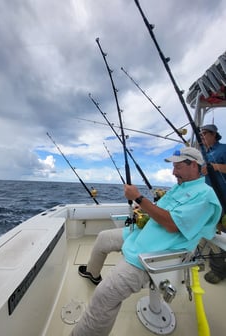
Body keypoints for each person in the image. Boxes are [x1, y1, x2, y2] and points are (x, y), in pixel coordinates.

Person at [70, 147, 222, 336]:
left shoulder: (205, 196)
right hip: (143, 236)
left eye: (178, 167)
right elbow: (161, 211)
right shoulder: (180, 187)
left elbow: (172, 224)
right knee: (103, 238)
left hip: (155, 253)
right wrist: (143, 211)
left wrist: (139, 198)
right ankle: (92, 273)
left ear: (194, 165)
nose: (173, 172)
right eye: (173, 167)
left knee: (104, 295)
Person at [199, 124, 226, 284]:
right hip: (209, 200)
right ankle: (218, 265)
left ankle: (218, 271)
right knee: (213, 231)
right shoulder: (204, 153)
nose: (201, 137)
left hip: (223, 198)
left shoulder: (223, 149)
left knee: (217, 233)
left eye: (203, 134)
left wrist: (215, 166)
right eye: (200, 135)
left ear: (214, 134)